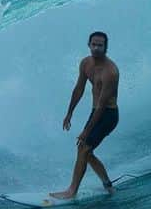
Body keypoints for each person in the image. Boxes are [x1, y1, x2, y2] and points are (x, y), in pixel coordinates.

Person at [50, 31, 119, 199]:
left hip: (108, 115)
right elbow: (79, 89)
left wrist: (86, 131)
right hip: (96, 112)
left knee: (84, 148)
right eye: (93, 44)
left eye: (100, 45)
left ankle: (72, 191)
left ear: (106, 48)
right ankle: (108, 185)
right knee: (85, 151)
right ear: (88, 45)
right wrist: (69, 113)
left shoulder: (110, 72)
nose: (96, 48)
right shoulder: (86, 64)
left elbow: (102, 106)